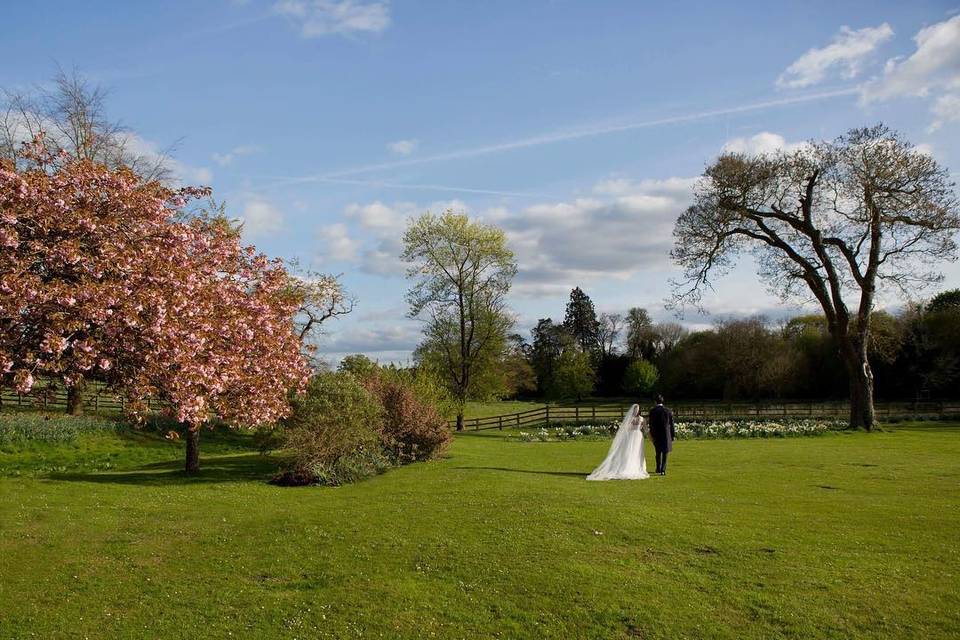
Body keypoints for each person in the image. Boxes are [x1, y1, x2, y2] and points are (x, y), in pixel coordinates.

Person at [586, 404, 649, 481]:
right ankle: (627, 467)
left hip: (638, 437)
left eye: (637, 409)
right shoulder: (630, 419)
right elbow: (625, 428)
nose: (636, 411)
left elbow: (646, 429)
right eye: (635, 409)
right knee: (628, 452)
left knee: (637, 452)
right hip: (630, 437)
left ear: (639, 411)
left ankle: (637, 466)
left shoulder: (642, 419)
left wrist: (649, 435)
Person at [648, 394, 675, 476]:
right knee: (665, 452)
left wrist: (652, 434)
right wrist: (673, 435)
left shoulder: (653, 411)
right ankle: (663, 469)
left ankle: (658, 468)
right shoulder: (668, 411)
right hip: (666, 434)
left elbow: (651, 424)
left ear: (655, 402)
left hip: (657, 434)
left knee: (658, 452)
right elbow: (672, 424)